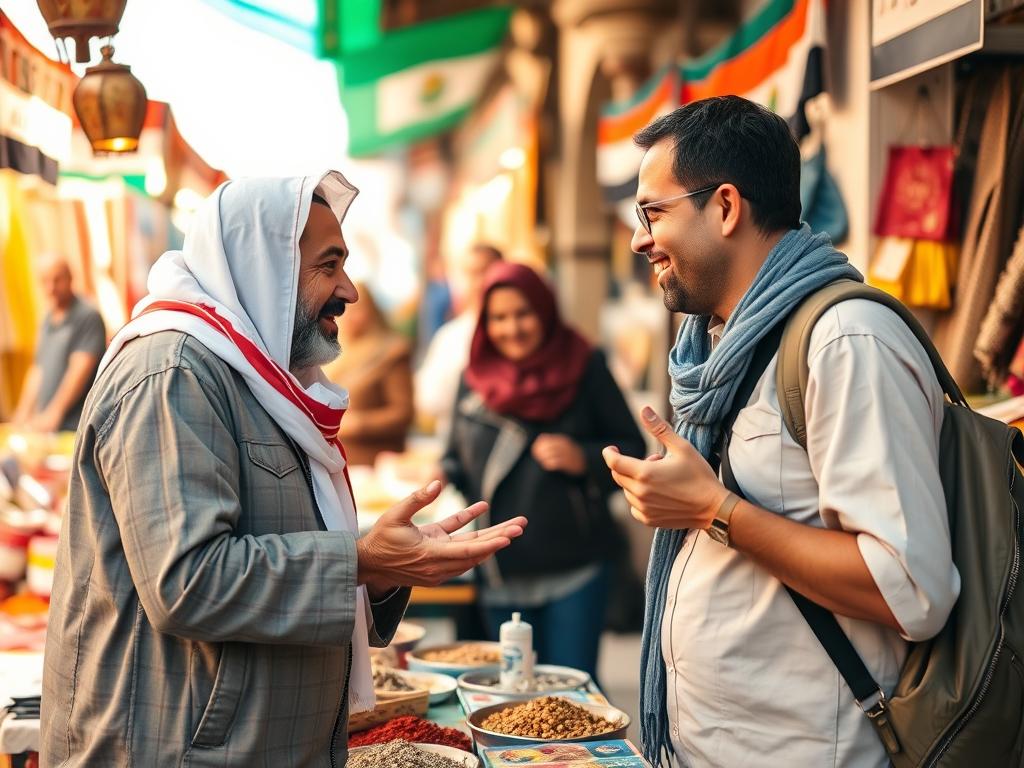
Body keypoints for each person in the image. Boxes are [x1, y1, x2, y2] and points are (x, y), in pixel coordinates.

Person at [39, 172, 526, 767]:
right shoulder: (173, 373)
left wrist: (378, 574)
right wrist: (363, 557)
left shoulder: (259, 380)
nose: (349, 291)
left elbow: (274, 538)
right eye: (328, 266)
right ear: (260, 267)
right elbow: (189, 582)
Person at [603, 96, 960, 767]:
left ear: (727, 207)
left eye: (653, 212)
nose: (637, 238)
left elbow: (910, 588)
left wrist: (713, 509)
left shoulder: (846, 342)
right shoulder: (713, 347)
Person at [441, 262, 645, 680]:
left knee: (570, 695)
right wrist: (441, 475)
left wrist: (583, 457)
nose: (511, 328)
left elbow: (634, 449)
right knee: (511, 698)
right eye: (499, 317)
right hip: (499, 567)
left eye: (523, 313)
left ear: (545, 311)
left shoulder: (585, 365)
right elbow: (454, 459)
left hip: (575, 570)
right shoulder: (474, 377)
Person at [415, 243, 503, 437]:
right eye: (472, 273)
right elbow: (429, 399)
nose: (479, 282)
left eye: (486, 271)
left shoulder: (514, 333)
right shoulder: (449, 337)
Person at [322, 282, 414, 466]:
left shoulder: (391, 353)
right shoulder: (330, 351)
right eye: (343, 310)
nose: (349, 317)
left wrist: (359, 424)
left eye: (357, 310)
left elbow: (403, 413)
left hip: (374, 461)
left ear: (371, 310)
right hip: (335, 458)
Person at [11, 255, 105, 433]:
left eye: (57, 279)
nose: (51, 287)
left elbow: (79, 368)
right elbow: (38, 370)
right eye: (45, 281)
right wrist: (22, 413)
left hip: (77, 427)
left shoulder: (87, 315)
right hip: (48, 428)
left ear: (70, 278)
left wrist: (55, 412)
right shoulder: (47, 319)